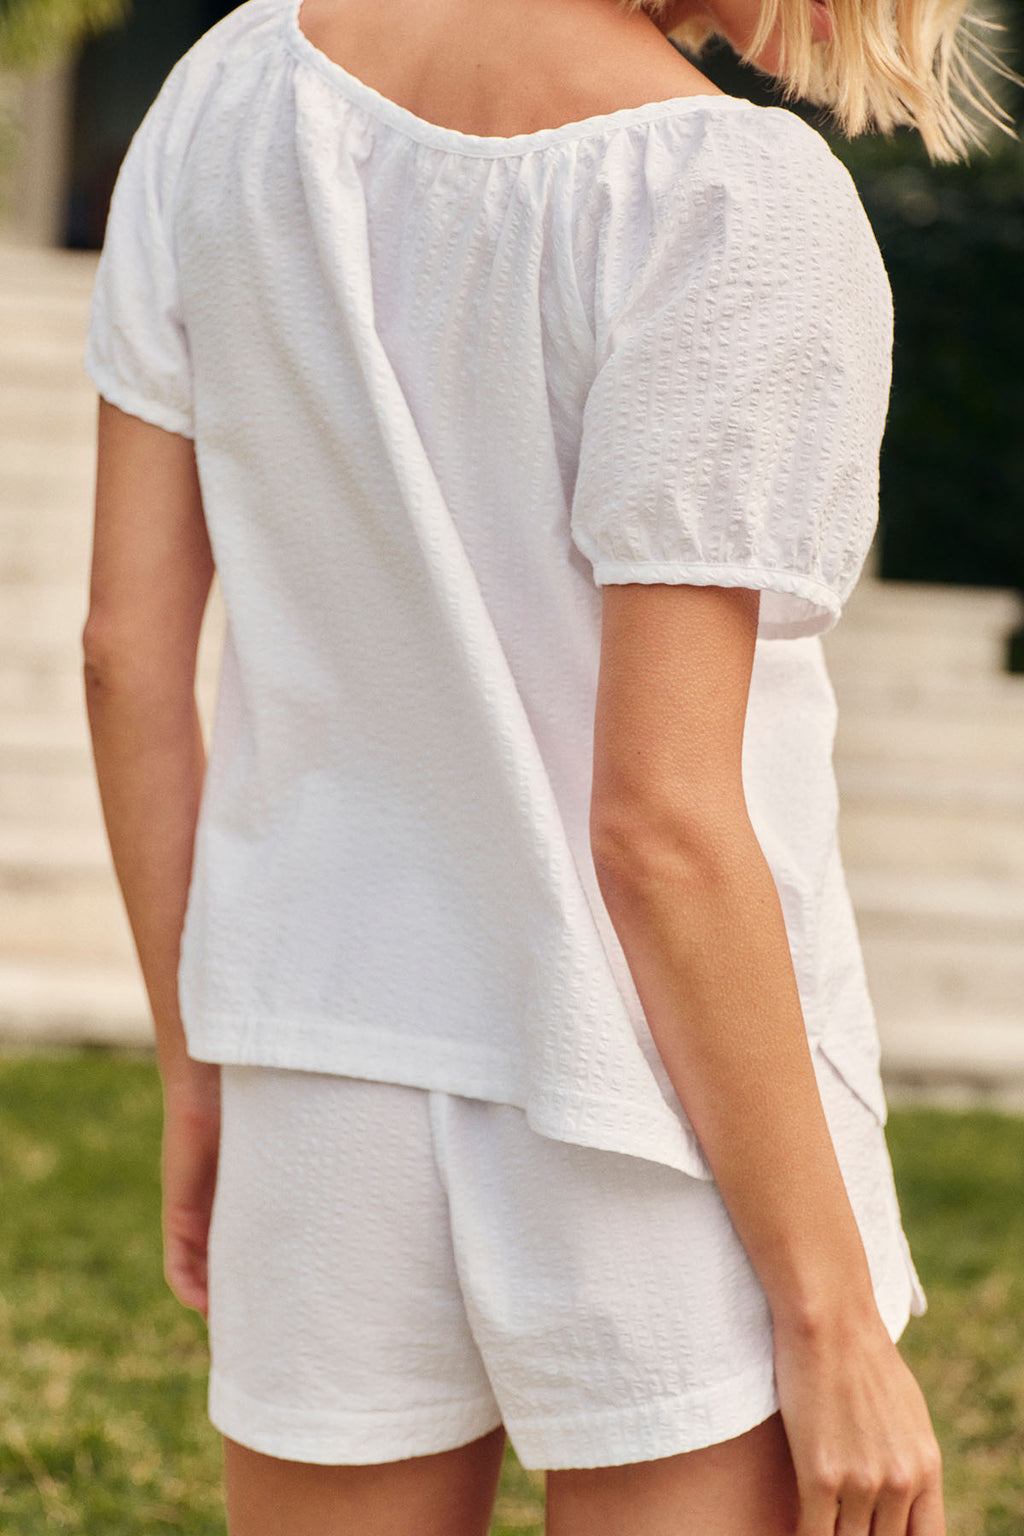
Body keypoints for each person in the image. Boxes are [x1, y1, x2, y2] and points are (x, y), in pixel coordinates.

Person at [81, 0, 1015, 1531]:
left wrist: (202, 1063)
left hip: (321, 1064)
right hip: (656, 1104)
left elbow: (126, 653)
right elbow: (659, 826)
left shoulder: (229, 90)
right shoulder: (734, 202)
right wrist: (832, 1314)